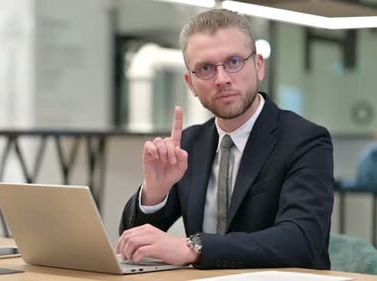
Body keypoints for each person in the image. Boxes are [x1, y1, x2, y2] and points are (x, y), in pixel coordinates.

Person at [116, 9, 334, 270]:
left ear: (259, 66)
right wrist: (154, 194)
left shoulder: (305, 140)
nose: (221, 79)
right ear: (190, 83)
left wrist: (193, 248)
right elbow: (132, 242)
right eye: (206, 68)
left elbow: (301, 241)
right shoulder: (189, 144)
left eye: (233, 62)